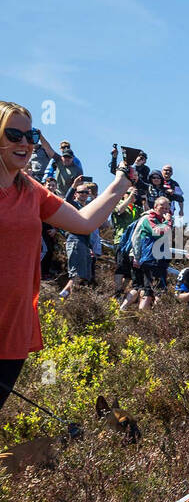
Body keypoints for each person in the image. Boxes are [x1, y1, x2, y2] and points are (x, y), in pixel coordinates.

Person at [0, 101, 134, 411]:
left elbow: (84, 222)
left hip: (15, 321)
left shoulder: (32, 191)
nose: (25, 143)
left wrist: (120, 184)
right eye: (14, 134)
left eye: (31, 135)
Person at [120, 196, 173, 311]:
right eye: (162, 207)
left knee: (144, 289)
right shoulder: (149, 218)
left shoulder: (160, 220)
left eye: (167, 208)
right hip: (150, 259)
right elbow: (156, 232)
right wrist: (136, 256)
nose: (165, 210)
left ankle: (131, 313)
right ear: (155, 207)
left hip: (152, 259)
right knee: (153, 291)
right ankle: (146, 320)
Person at [59, 181, 99, 298]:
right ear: (76, 194)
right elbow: (66, 201)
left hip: (85, 243)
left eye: (86, 192)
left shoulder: (87, 207)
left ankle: (69, 297)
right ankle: (63, 297)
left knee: (83, 276)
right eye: (81, 192)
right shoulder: (73, 205)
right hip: (75, 240)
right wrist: (73, 186)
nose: (84, 194)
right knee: (76, 275)